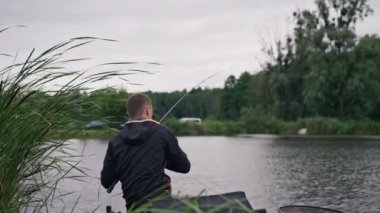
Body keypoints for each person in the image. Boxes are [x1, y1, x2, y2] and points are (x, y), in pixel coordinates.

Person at [100, 93, 191, 210]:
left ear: (128, 114)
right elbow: (184, 166)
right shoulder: (162, 132)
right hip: (161, 206)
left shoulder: (116, 141)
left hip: (133, 207)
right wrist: (161, 158)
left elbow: (106, 181)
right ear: (148, 111)